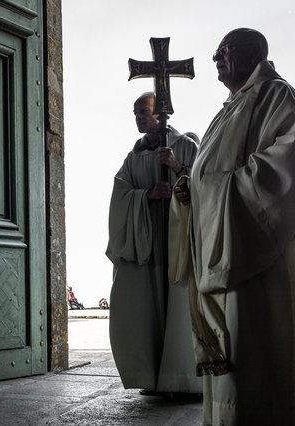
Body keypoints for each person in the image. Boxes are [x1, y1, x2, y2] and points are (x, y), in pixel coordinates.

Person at [170, 28, 295, 425]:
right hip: (221, 243)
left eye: (223, 50)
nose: (214, 59)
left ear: (252, 53)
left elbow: (282, 169)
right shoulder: (228, 109)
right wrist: (190, 190)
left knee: (251, 361)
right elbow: (209, 172)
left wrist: (213, 191)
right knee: (230, 367)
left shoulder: (276, 96)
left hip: (251, 257)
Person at [106, 92, 200, 395]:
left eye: (143, 112)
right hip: (147, 245)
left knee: (179, 306)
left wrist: (175, 167)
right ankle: (152, 375)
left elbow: (206, 184)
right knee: (145, 309)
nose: (139, 118)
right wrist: (146, 195)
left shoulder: (185, 145)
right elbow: (120, 194)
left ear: (161, 113)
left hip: (179, 243)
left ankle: (183, 377)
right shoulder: (133, 158)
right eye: (135, 114)